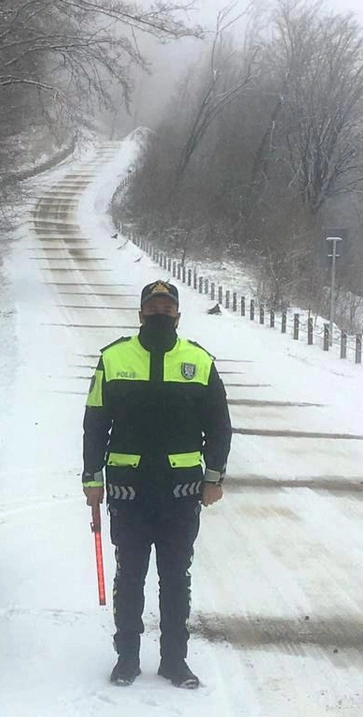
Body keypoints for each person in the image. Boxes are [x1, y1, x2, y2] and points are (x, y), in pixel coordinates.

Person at [82, 279, 232, 688]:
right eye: (153, 308)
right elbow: (95, 423)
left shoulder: (199, 362)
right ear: (140, 314)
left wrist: (214, 477)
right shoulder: (113, 359)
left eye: (167, 309)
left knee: (175, 579)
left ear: (178, 316)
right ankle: (127, 659)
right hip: (128, 491)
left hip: (180, 493)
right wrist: (92, 478)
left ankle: (174, 661)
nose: (160, 314)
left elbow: (219, 426)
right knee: (130, 577)